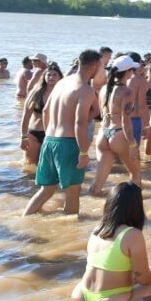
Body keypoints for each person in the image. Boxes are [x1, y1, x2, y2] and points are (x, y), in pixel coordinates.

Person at [23, 49, 101, 216]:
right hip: (68, 143)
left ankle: (25, 218)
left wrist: (48, 137)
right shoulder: (85, 89)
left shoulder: (62, 83)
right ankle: (71, 228)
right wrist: (83, 152)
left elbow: (45, 111)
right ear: (94, 65)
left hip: (50, 140)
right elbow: (80, 122)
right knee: (73, 192)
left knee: (47, 190)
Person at [72, 181, 151, 301]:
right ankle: (131, 300)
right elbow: (144, 280)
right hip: (108, 300)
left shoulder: (97, 229)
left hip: (81, 293)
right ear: (136, 207)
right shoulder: (132, 234)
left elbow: (111, 268)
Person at [90, 56, 143, 195]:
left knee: (97, 184)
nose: (133, 73)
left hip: (103, 133)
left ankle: (91, 204)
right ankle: (135, 205)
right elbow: (126, 121)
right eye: (132, 70)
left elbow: (101, 113)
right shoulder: (127, 92)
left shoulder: (104, 89)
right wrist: (133, 145)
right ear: (128, 72)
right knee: (136, 174)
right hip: (118, 133)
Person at [20, 62, 63, 166]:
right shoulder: (36, 93)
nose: (51, 77)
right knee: (31, 165)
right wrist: (23, 137)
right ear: (44, 76)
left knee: (50, 165)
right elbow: (26, 116)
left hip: (53, 135)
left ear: (60, 77)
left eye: (54, 75)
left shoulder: (63, 94)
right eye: (48, 75)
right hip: (33, 134)